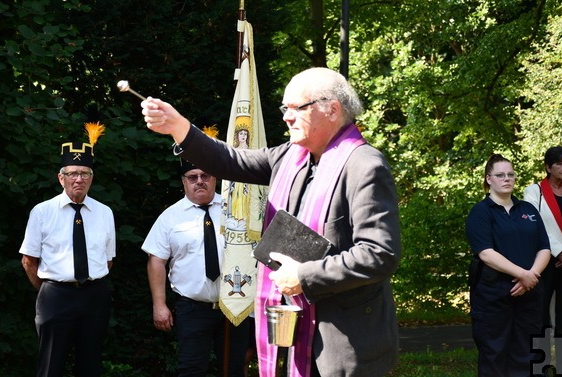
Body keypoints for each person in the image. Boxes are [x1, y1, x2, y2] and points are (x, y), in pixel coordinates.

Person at [141, 67, 401, 377]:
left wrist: (304, 276)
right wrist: (180, 127)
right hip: (291, 333)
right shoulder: (290, 157)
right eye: (284, 108)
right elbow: (230, 160)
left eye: (296, 108)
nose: (286, 118)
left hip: (344, 342)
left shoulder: (364, 165)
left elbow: (379, 254)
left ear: (332, 109)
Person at [19, 123, 116, 377]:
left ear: (92, 178)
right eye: (72, 173)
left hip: (95, 296)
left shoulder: (105, 213)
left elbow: (108, 261)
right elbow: (29, 260)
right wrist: (49, 289)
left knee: (91, 365)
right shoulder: (42, 212)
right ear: (60, 177)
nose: (79, 179)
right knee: (50, 365)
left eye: (85, 173)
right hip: (55, 297)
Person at [142, 160, 250, 377]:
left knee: (235, 369)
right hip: (192, 309)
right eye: (193, 177)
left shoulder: (237, 209)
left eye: (205, 175)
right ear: (184, 182)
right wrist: (159, 305)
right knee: (191, 369)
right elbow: (156, 261)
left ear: (215, 179)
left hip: (235, 304)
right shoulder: (170, 217)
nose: (200, 181)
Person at [466, 154, 551, 377]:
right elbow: (486, 253)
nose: (507, 179)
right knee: (494, 354)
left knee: (528, 354)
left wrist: (531, 276)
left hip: (530, 294)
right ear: (488, 179)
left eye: (510, 174)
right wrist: (523, 274)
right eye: (500, 175)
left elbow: (544, 247)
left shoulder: (529, 210)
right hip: (493, 296)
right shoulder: (480, 212)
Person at [523, 146, 562, 376]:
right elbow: (534, 224)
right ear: (547, 167)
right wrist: (557, 250)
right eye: (560, 164)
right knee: (540, 316)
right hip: (544, 261)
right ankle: (541, 368)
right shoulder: (534, 191)